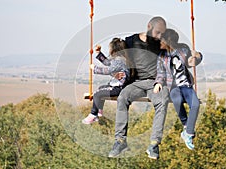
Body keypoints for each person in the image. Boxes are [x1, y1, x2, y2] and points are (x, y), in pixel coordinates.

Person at [108, 16, 169, 159]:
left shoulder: (160, 44)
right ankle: (120, 141)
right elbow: (117, 55)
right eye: (158, 32)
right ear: (149, 27)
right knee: (122, 97)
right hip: (136, 83)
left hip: (155, 83)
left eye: (162, 33)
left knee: (162, 100)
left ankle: (154, 144)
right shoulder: (130, 41)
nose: (159, 36)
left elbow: (172, 58)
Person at [154, 28, 202, 150]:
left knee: (195, 105)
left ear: (167, 41)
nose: (159, 42)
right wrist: (158, 83)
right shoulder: (161, 56)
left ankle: (188, 133)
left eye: (161, 40)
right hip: (173, 86)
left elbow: (195, 58)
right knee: (177, 100)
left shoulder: (183, 50)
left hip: (186, 84)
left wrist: (197, 58)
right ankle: (186, 124)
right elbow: (160, 72)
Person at [82, 38, 130, 124]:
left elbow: (109, 70)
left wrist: (95, 69)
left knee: (97, 94)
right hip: (117, 86)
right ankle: (99, 111)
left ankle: (93, 114)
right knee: (101, 88)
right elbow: (108, 63)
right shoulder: (120, 59)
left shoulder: (120, 61)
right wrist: (99, 53)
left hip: (119, 88)